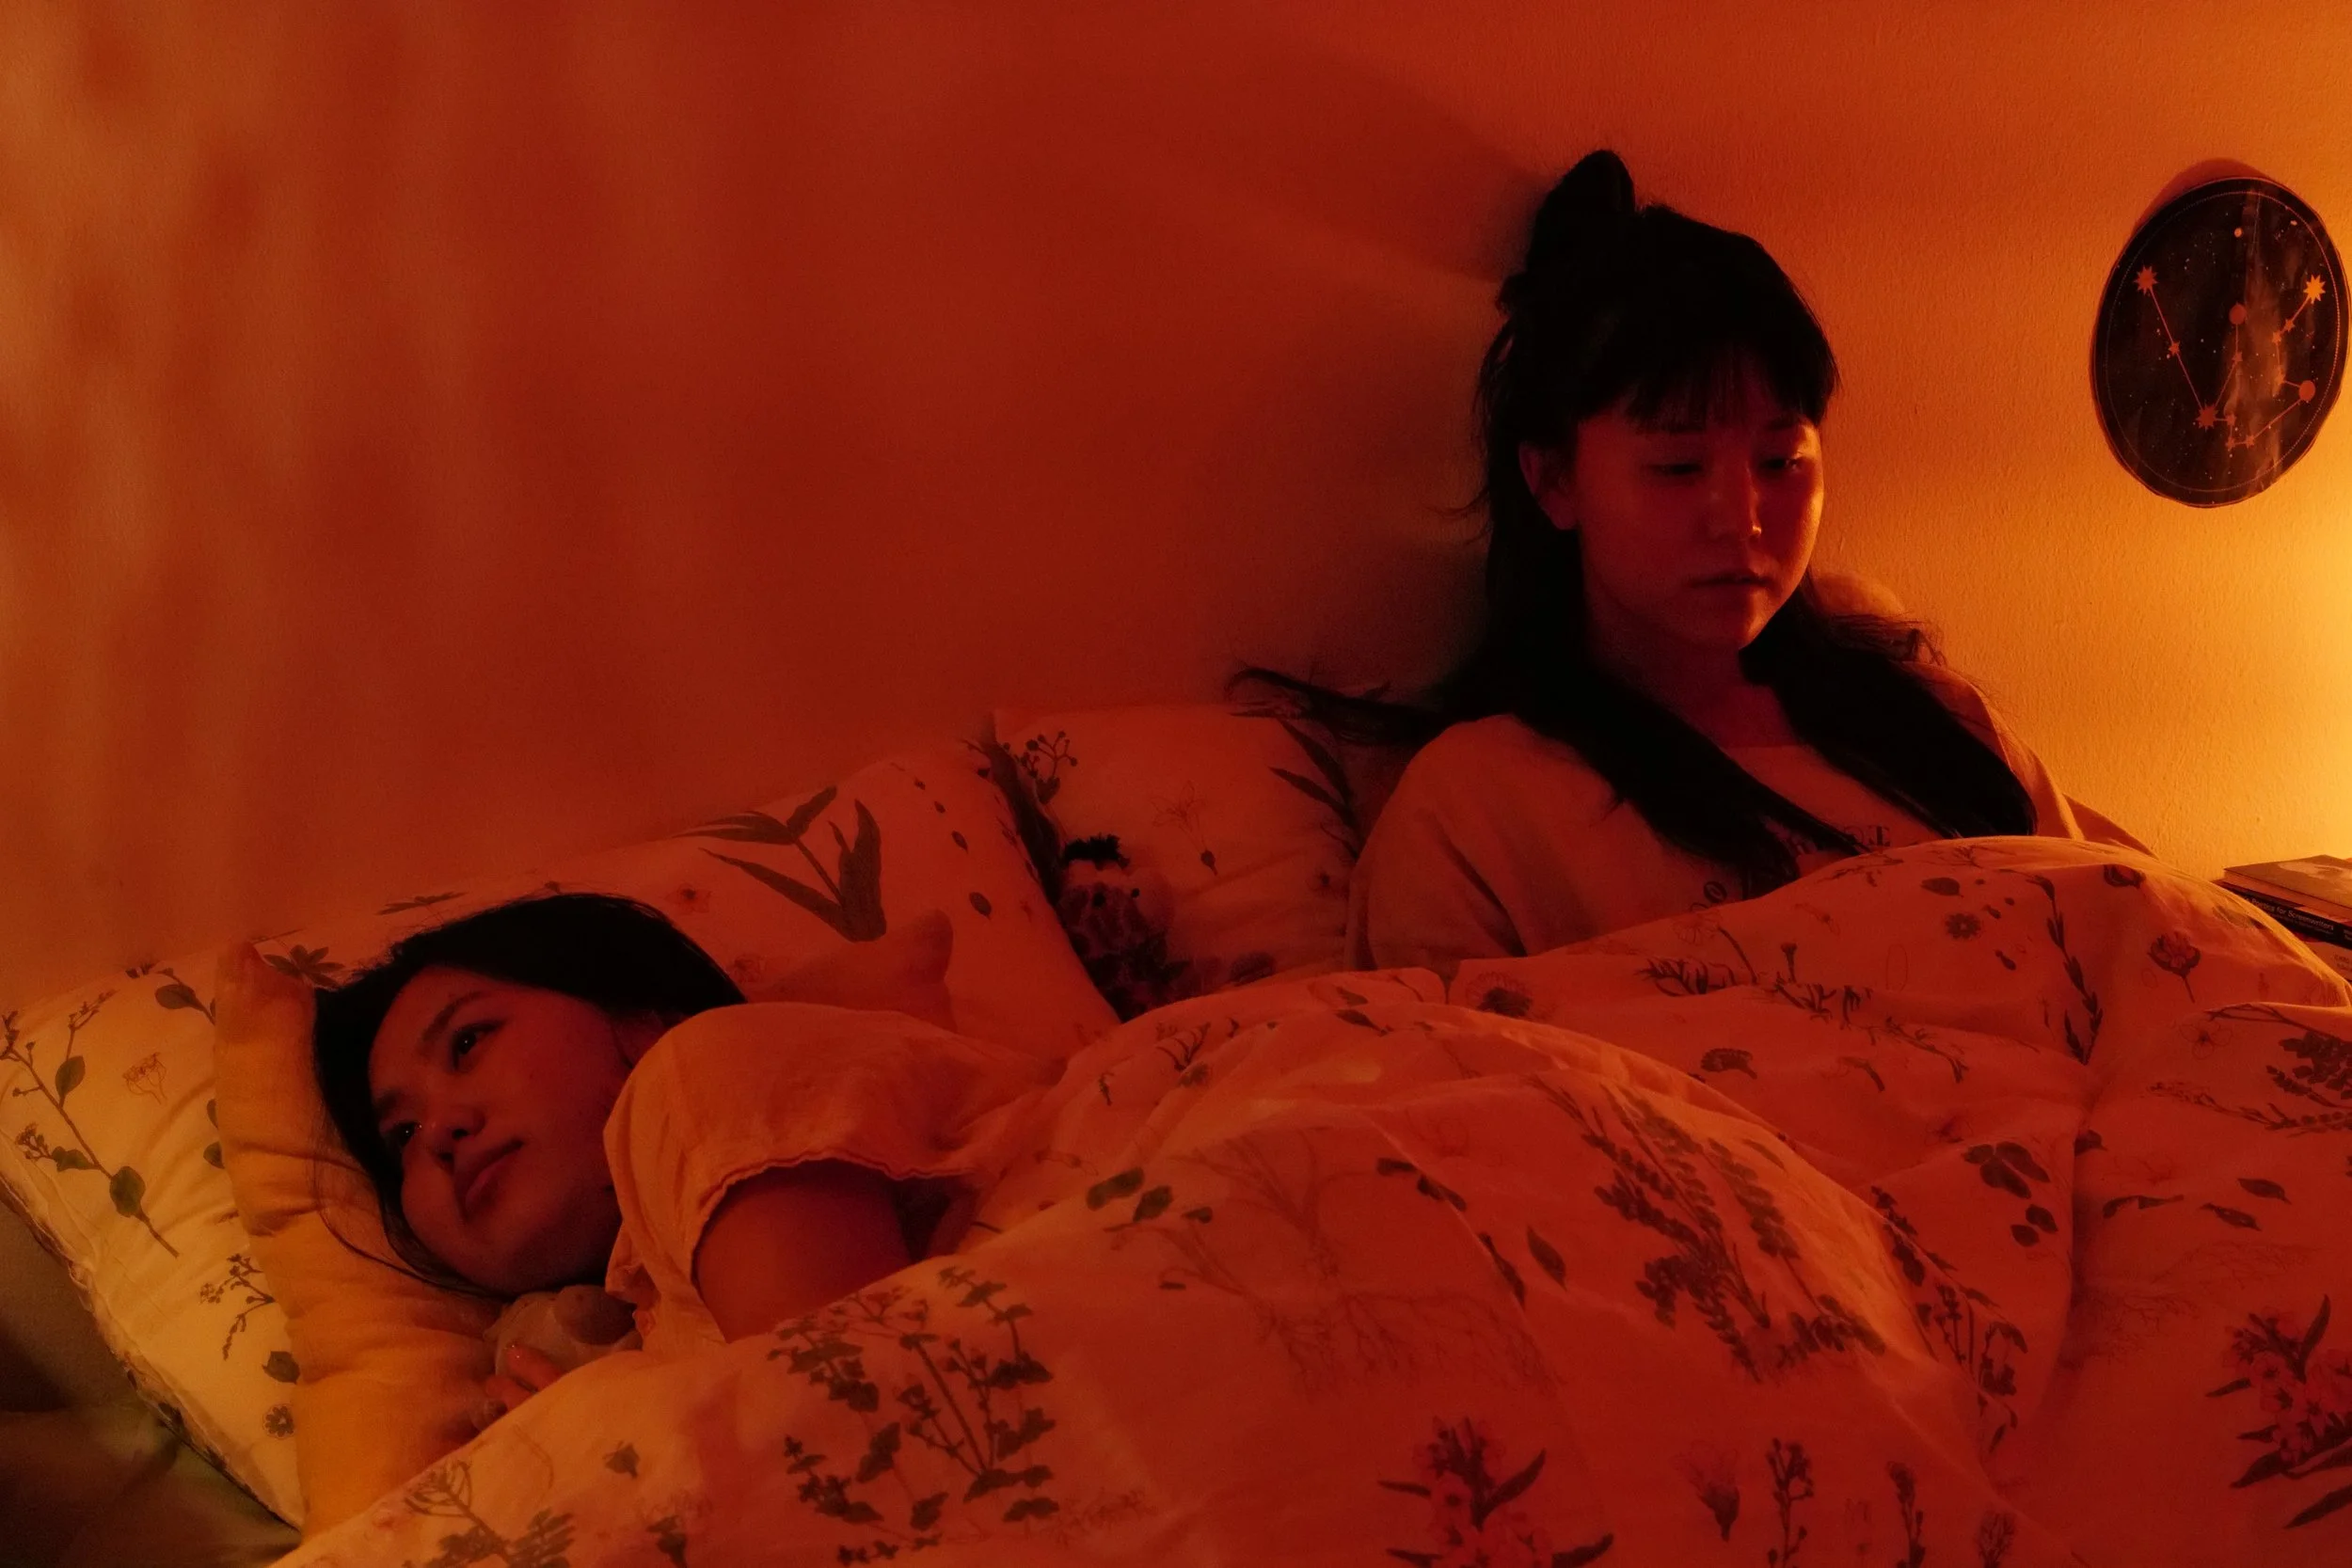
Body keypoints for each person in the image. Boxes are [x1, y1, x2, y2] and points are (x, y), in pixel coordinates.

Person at [1261, 150, 2123, 976]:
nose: (1743, 518)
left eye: (1781, 460)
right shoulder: (1479, 810)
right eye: (1678, 467)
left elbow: (2118, 952)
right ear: (1555, 480)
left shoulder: (1944, 723)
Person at [311, 894, 1037, 1416]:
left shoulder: (700, 1070)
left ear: (638, 1017)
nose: (438, 1129)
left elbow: (865, 1428)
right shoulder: (611, 1339)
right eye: (401, 1135)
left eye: (468, 1041)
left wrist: (619, 1465)